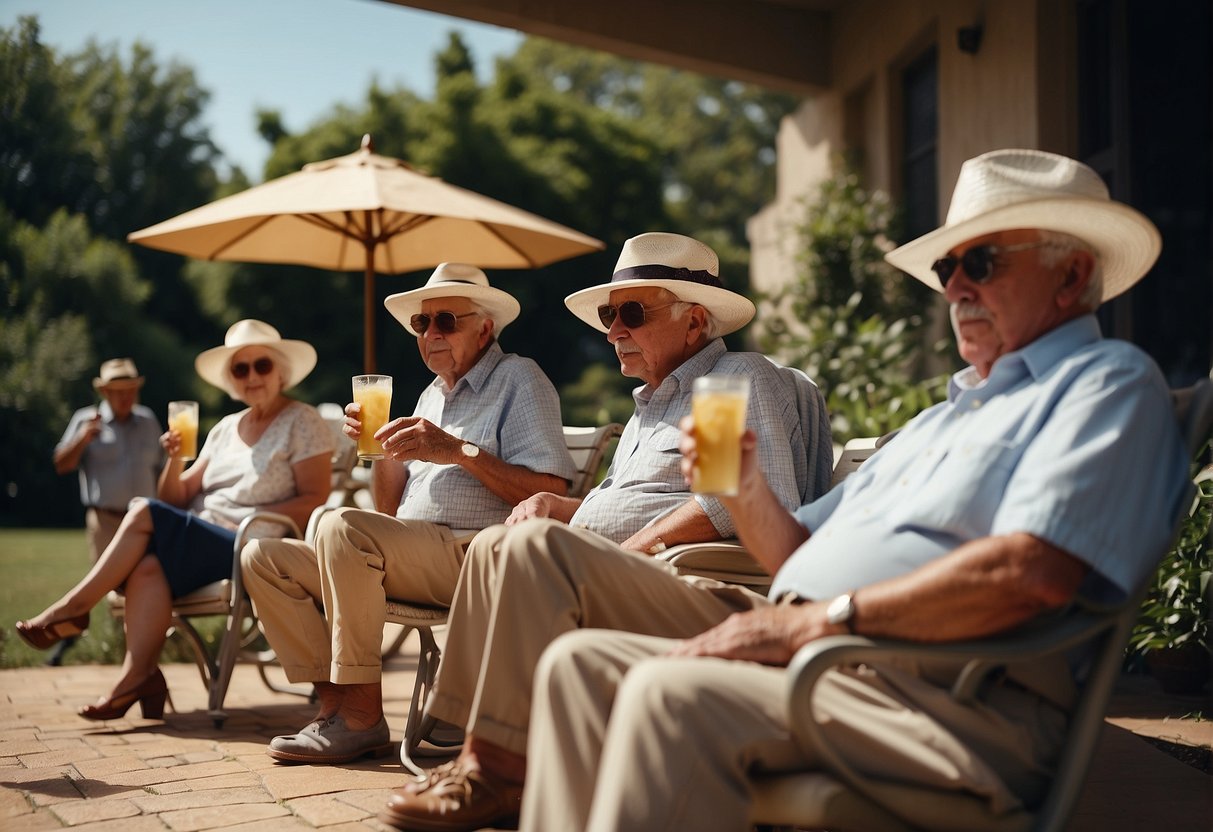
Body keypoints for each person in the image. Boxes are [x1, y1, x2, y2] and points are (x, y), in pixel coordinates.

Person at [505, 149, 1193, 832]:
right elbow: (797, 550)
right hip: (836, 664)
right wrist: (741, 490)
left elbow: (1029, 571)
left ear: (1070, 275)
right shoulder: (943, 417)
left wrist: (811, 623)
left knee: (667, 693)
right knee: (578, 667)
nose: (953, 288)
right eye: (946, 268)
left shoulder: (1104, 383)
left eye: (979, 264)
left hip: (944, 701)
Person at [378, 232, 833, 831]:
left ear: (696, 320)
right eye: (608, 314)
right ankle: (475, 744)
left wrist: (629, 548)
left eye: (632, 313)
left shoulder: (735, 378)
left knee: (528, 549)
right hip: (625, 568)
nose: (613, 329)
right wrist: (559, 505)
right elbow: (618, 504)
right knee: (496, 542)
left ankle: (497, 770)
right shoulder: (649, 407)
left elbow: (741, 502)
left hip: (694, 578)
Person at [241, 264, 578, 765]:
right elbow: (387, 513)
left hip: (474, 554)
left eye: (447, 321)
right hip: (415, 552)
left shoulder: (518, 379)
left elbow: (552, 492)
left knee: (335, 524)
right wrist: (376, 451)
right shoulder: (429, 396)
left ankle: (359, 716)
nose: (432, 334)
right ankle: (338, 706)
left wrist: (456, 450)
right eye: (423, 325)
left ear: (484, 327)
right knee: (262, 558)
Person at [15, 320, 332, 721]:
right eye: (241, 369)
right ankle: (139, 677)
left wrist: (251, 517)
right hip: (205, 540)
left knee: (143, 510)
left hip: (251, 545)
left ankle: (76, 608)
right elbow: (175, 497)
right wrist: (176, 458)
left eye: (262, 366)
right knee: (147, 566)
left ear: (281, 371)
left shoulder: (302, 421)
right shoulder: (223, 429)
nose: (252, 377)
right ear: (232, 380)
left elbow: (313, 498)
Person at [48, 358, 164, 665]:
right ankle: (109, 649)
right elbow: (62, 464)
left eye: (130, 390)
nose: (125, 397)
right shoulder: (86, 420)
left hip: (146, 520)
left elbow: (164, 469)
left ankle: (136, 654)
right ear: (105, 392)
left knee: (145, 582)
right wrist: (83, 439)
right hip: (105, 520)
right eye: (117, 391)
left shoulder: (149, 421)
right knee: (105, 586)